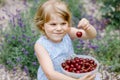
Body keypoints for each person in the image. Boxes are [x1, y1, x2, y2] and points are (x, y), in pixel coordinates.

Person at [34, 0, 100, 80]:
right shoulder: (40, 46)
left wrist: (88, 27)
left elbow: (90, 35)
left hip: (72, 74)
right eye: (53, 24)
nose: (59, 28)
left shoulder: (68, 32)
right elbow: (50, 74)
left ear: (68, 23)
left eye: (63, 23)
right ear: (42, 26)